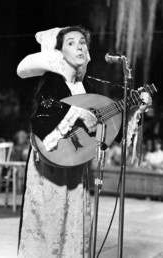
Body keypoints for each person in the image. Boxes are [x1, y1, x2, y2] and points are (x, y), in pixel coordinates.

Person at [16, 26, 152, 258]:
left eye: (82, 42)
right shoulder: (51, 82)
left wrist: (136, 107)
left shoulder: (88, 87)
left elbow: (111, 129)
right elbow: (41, 117)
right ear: (59, 52)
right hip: (50, 166)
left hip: (76, 167)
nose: (79, 46)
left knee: (75, 222)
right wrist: (77, 114)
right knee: (51, 222)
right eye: (71, 42)